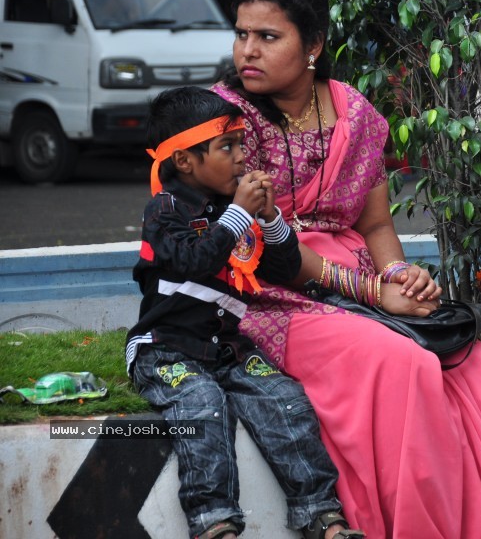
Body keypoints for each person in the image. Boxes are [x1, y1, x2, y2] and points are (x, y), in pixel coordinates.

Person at [210, 0, 481, 539]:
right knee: (406, 364)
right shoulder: (223, 120)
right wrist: (377, 292)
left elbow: (374, 225)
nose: (249, 51)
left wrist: (401, 273)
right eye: (242, 34)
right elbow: (269, 250)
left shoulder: (358, 116)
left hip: (356, 274)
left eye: (268, 37)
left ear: (314, 45)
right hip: (266, 288)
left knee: (479, 367)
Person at [126, 86, 362, 539]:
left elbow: (287, 268)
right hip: (167, 349)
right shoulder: (164, 211)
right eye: (227, 147)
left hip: (227, 348)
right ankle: (213, 522)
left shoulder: (236, 207)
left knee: (285, 399)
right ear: (185, 161)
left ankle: (321, 514)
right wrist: (237, 215)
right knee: (203, 406)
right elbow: (194, 260)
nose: (241, 158)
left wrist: (270, 220)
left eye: (240, 145)